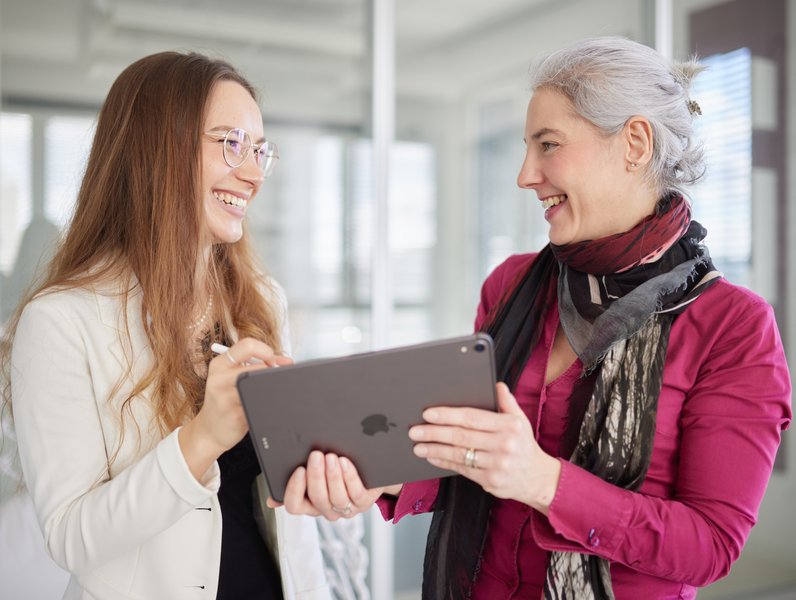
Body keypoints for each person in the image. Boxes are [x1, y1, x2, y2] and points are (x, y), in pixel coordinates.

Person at [274, 37, 793, 599]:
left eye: (548, 145)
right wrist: (373, 475)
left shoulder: (733, 327)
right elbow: (472, 460)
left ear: (635, 143)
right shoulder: (513, 285)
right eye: (528, 148)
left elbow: (710, 545)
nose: (525, 174)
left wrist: (545, 482)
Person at [0, 51, 331, 600]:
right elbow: (70, 537)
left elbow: (284, 522)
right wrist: (200, 440)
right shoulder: (59, 323)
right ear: (158, 151)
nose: (251, 174)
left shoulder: (263, 302)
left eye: (258, 151)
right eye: (230, 143)